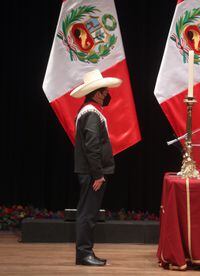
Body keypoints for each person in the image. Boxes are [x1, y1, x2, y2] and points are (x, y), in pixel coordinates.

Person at [70, 69, 122, 266]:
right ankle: (84, 254)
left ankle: (86, 252)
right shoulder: (91, 114)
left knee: (88, 213)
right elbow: (91, 147)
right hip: (92, 174)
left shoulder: (90, 112)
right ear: (97, 93)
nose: (107, 94)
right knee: (88, 214)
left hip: (91, 173)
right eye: (105, 91)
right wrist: (98, 175)